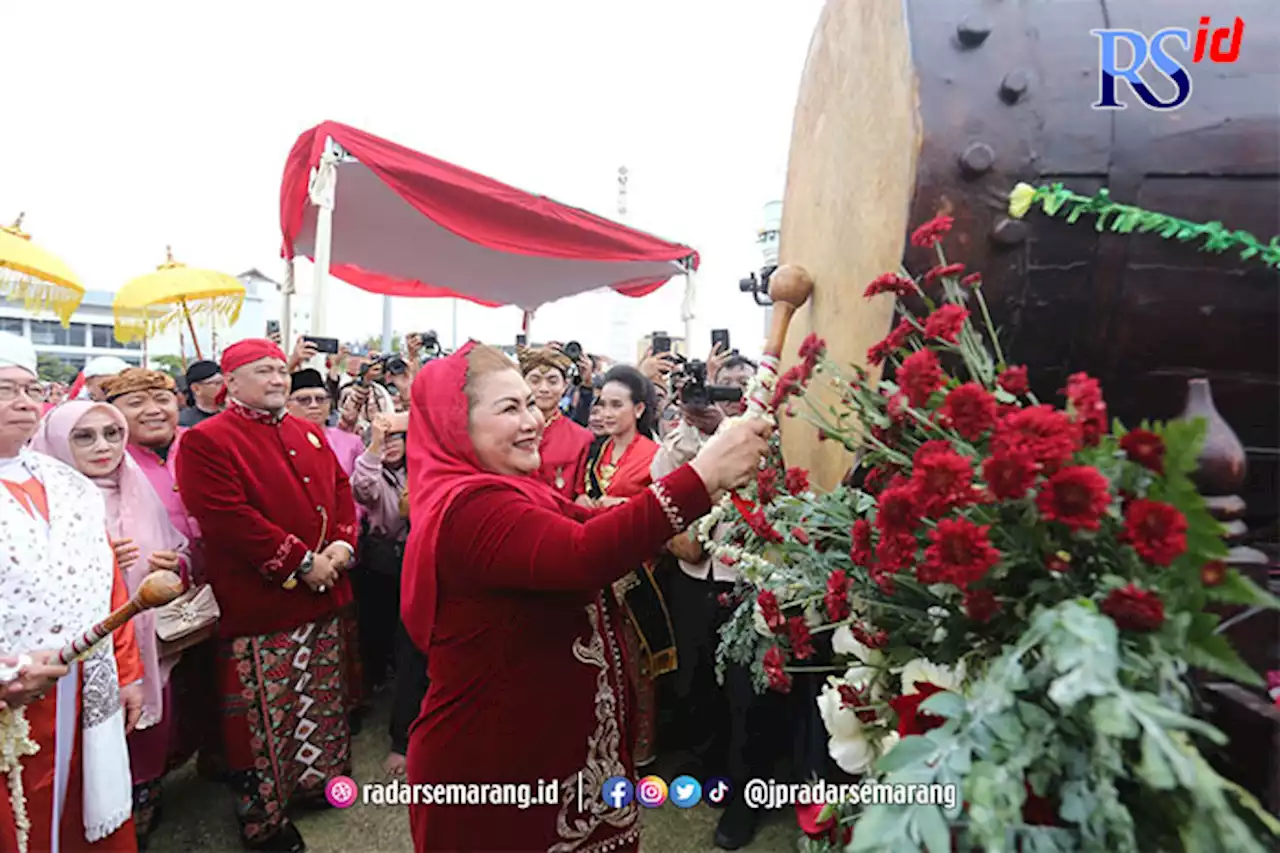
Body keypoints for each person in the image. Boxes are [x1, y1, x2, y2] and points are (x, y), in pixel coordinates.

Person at [400, 341, 769, 852]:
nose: (532, 420)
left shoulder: (514, 490)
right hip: (493, 762)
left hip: (537, 749)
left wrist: (699, 465)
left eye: (531, 402)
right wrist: (702, 479)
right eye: (510, 408)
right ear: (453, 425)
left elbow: (593, 523)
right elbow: (583, 553)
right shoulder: (469, 508)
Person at [174, 339, 357, 853]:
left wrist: (341, 546)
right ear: (229, 382)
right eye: (263, 372)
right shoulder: (207, 440)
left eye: (281, 370)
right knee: (262, 719)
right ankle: (266, 822)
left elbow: (341, 491)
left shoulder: (306, 431)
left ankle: (316, 783)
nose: (278, 380)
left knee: (319, 700)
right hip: (262, 603)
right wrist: (304, 562)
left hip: (322, 594)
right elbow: (228, 519)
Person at [0, 331, 145, 853]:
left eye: (31, 389)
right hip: (14, 695)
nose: (22, 401)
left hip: (86, 684)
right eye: (4, 389)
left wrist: (127, 674)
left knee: (82, 811)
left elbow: (108, 588)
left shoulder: (68, 484)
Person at [31, 401, 190, 849]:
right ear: (58, 441)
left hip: (145, 640)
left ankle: (139, 806)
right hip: (70, 657)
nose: (104, 447)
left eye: (112, 434)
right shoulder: (40, 499)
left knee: (145, 731)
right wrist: (96, 565)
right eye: (84, 436)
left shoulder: (138, 486)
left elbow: (181, 547)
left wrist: (175, 563)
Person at [652, 352, 781, 850]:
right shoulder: (685, 436)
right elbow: (664, 486)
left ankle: (748, 795)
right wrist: (701, 433)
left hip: (746, 580)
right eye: (722, 384)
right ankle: (707, 763)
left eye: (741, 385)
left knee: (746, 694)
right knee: (696, 679)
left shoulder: (772, 440)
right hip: (692, 576)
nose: (730, 394)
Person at [105, 368, 223, 785]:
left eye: (162, 399)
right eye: (136, 403)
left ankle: (215, 760)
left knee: (218, 688)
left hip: (220, 589)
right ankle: (145, 787)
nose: (153, 410)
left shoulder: (203, 444)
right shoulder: (105, 462)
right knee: (160, 698)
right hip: (144, 602)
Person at [579, 364, 672, 768]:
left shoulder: (655, 456)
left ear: (638, 409)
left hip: (637, 575)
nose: (607, 412)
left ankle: (641, 747)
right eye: (603, 404)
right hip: (596, 569)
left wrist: (624, 509)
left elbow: (663, 515)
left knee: (638, 666)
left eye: (618, 404)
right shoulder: (596, 452)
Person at [349, 412, 420, 777]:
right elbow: (364, 491)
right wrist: (374, 448)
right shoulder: (370, 467)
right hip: (379, 561)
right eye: (383, 439)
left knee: (408, 641)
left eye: (397, 439)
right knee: (374, 632)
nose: (391, 445)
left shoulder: (422, 468)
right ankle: (372, 692)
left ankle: (403, 729)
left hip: (416, 559)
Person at [518, 346, 593, 499]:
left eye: (552, 381)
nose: (544, 389)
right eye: (535, 381)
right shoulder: (506, 430)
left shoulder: (581, 438)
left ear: (564, 386)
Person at [179, 360, 223, 427]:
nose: (224, 387)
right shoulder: (183, 422)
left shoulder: (237, 414)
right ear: (196, 388)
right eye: (217, 383)